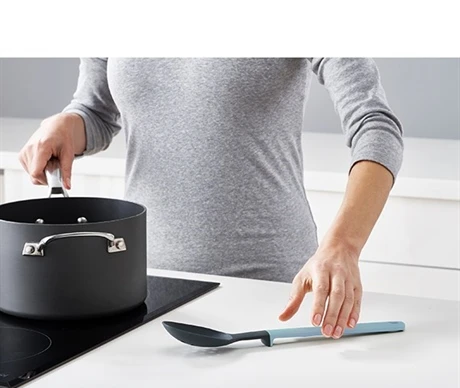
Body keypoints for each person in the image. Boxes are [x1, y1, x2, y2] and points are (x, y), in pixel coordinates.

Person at [19, 58, 403, 339]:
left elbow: (375, 124)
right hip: (143, 291)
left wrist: (343, 245)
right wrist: (67, 125)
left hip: (268, 295)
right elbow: (96, 110)